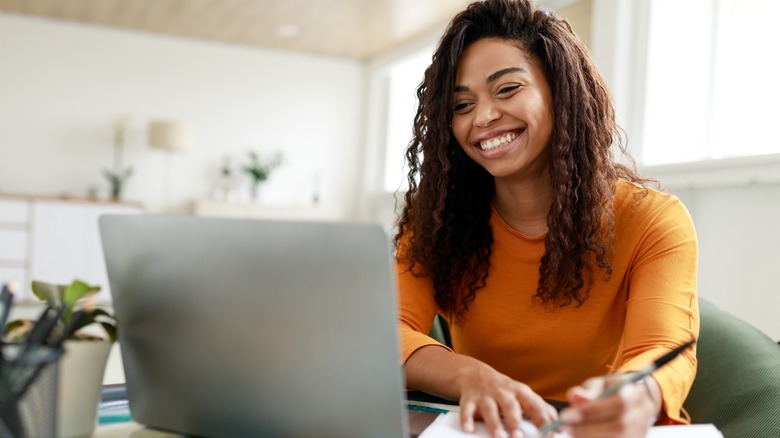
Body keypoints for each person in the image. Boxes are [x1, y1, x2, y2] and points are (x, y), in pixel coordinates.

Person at [393, 0, 699, 437]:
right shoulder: (437, 222)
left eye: (507, 89)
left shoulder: (653, 220)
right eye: (461, 106)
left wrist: (642, 394)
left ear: (561, 90)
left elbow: (664, 349)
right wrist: (470, 376)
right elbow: (388, 333)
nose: (482, 117)